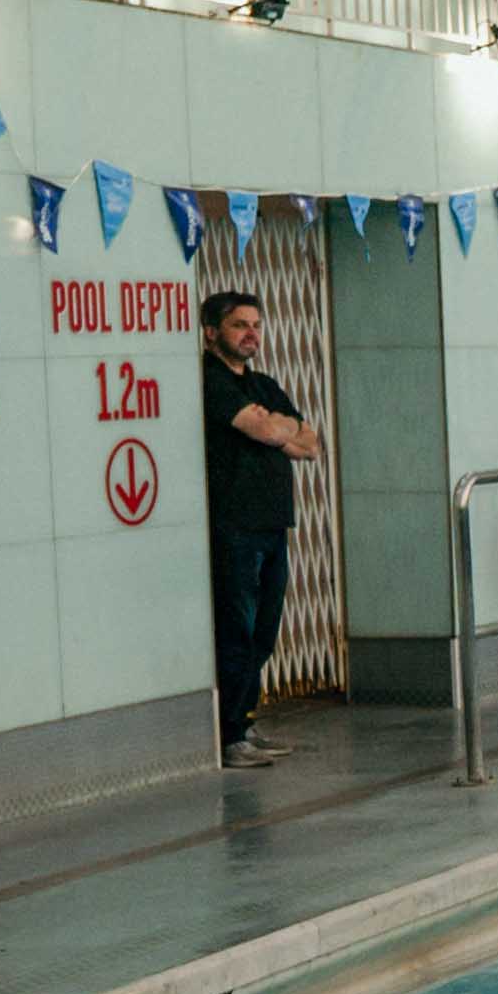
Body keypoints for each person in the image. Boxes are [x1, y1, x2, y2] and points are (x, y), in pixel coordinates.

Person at [195, 293, 321, 768]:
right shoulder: (210, 381)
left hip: (272, 525)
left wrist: (277, 426)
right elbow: (274, 436)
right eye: (238, 325)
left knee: (265, 633)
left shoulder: (264, 385)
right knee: (238, 631)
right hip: (234, 527)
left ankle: (244, 721)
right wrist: (278, 430)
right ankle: (228, 735)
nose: (251, 333)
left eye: (256, 325)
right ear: (211, 332)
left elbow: (311, 444)